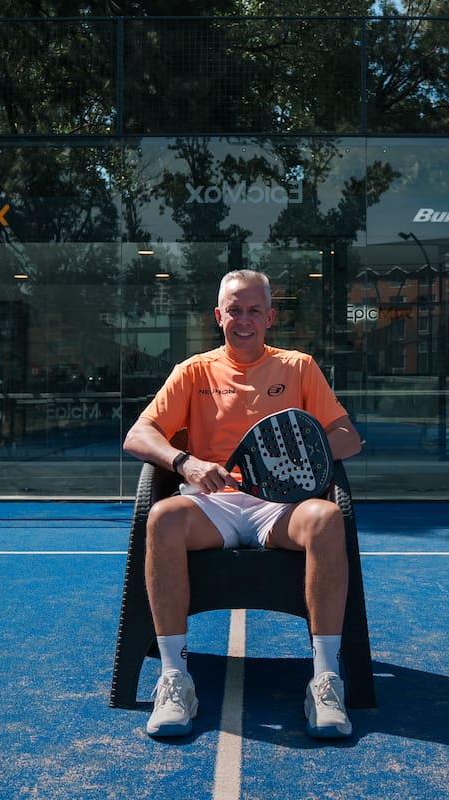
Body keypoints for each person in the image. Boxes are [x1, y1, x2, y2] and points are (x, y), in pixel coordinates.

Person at [123, 269, 363, 739]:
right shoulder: (192, 371)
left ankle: (325, 680)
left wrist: (289, 462)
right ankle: (175, 680)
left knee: (329, 517)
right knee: (163, 517)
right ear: (219, 316)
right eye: (235, 310)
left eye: (255, 310)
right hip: (215, 504)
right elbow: (139, 434)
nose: (244, 319)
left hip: (282, 508)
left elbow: (347, 438)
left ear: (270, 316)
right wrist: (186, 463)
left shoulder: (298, 367)